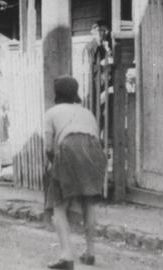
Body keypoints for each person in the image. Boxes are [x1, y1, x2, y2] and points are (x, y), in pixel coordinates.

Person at [44, 76, 107, 270]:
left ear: (57, 94)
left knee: (59, 204)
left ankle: (66, 255)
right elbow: (96, 136)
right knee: (89, 202)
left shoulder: (52, 112)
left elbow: (48, 148)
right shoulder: (87, 112)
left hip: (69, 146)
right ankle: (90, 252)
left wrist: (56, 169)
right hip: (95, 150)